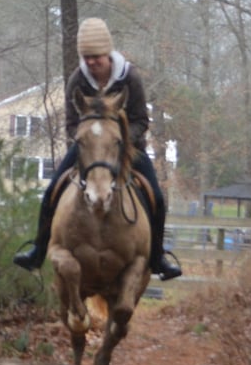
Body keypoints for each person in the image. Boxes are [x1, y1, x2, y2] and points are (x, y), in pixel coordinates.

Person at [13, 17, 182, 281]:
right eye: (87, 57)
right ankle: (38, 250)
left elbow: (141, 120)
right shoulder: (77, 80)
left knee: (157, 198)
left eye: (96, 57)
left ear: (107, 53)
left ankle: (158, 257)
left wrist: (118, 140)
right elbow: (71, 123)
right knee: (51, 190)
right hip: (89, 149)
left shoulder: (130, 78)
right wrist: (89, 141)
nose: (91, 62)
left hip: (128, 148)